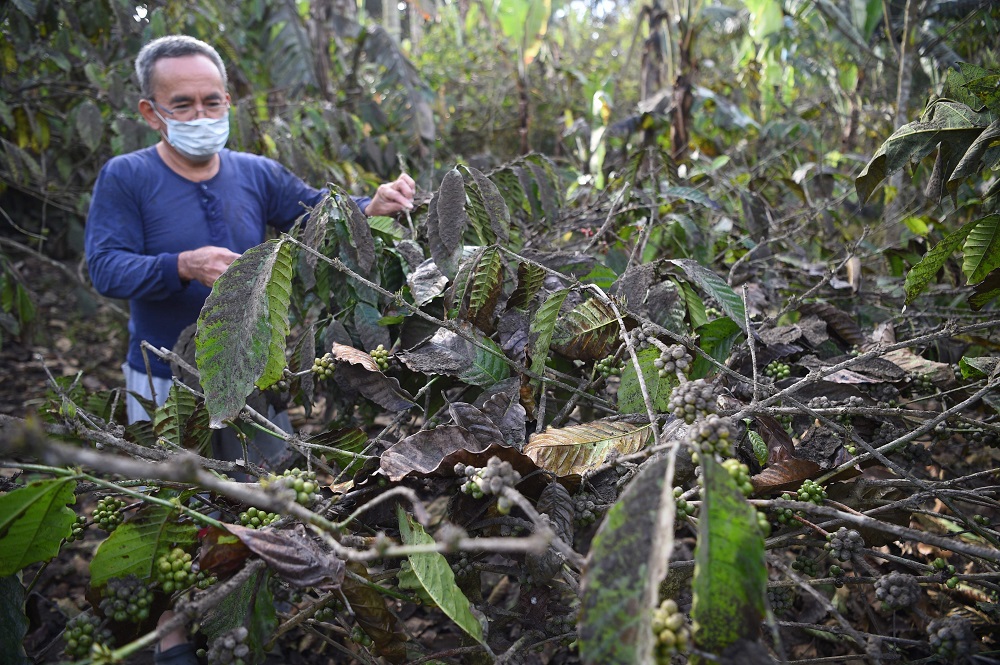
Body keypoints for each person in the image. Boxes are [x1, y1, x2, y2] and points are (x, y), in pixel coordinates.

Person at [84, 35, 415, 665]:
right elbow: (104, 268)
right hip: (163, 378)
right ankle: (172, 634)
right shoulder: (126, 177)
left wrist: (373, 205)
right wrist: (180, 263)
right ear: (150, 112)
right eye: (182, 104)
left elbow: (321, 215)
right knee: (166, 508)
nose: (201, 115)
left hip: (249, 376)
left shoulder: (255, 173)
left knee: (272, 492)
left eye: (212, 101)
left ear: (229, 101)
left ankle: (256, 608)